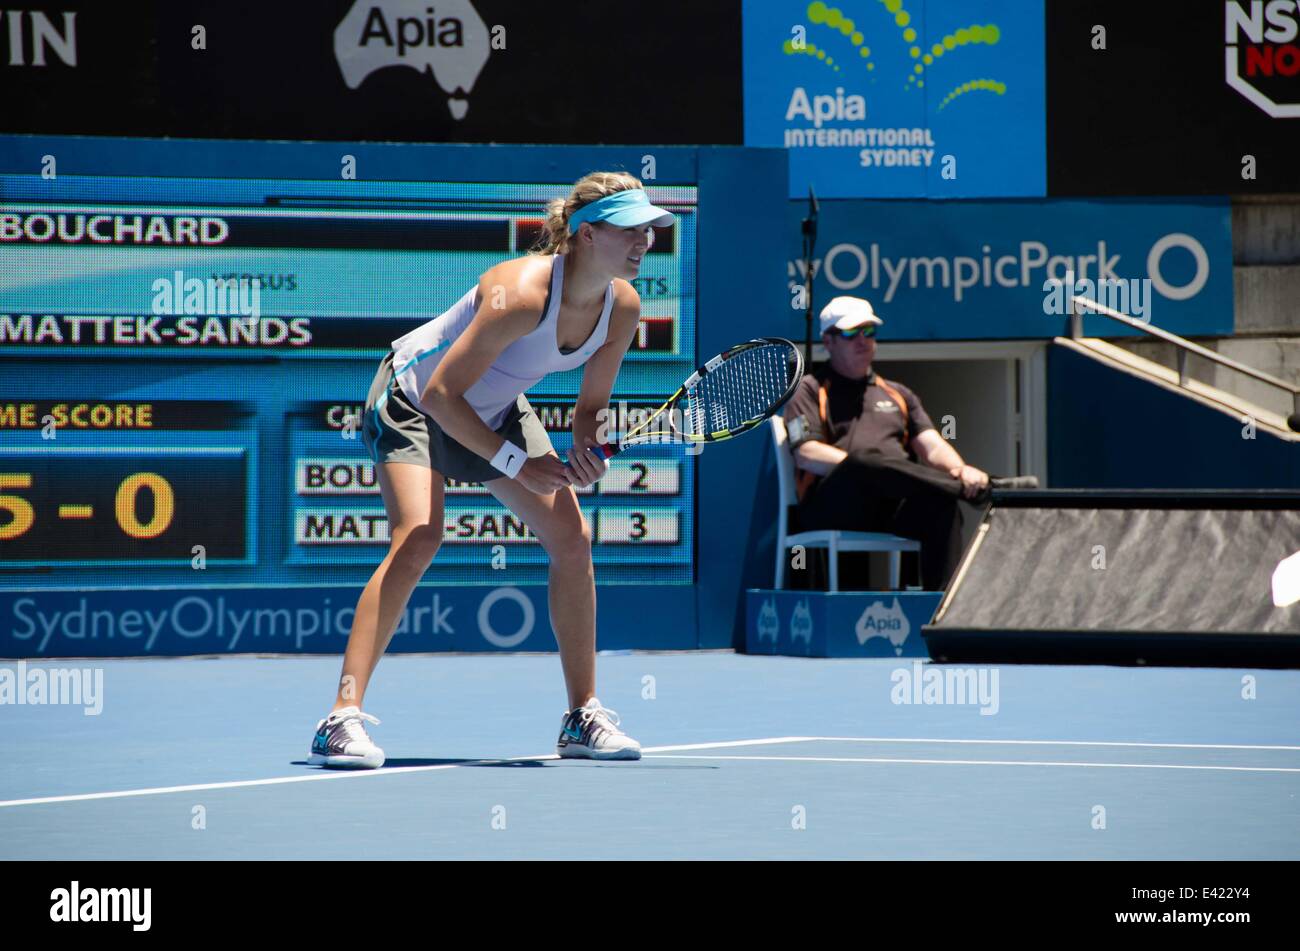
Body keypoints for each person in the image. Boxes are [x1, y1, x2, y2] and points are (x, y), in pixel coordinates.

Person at [307, 171, 673, 769]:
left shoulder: (623, 308)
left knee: (572, 540)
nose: (644, 242)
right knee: (420, 536)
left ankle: (581, 715)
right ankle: (339, 718)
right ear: (585, 235)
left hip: (496, 408)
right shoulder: (521, 294)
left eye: (649, 231)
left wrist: (585, 451)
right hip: (415, 397)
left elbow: (589, 409)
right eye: (629, 229)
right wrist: (517, 463)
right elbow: (445, 393)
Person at [783, 296, 1037, 590]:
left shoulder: (898, 393)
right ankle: (985, 491)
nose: (863, 340)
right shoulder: (809, 389)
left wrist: (962, 470)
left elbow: (932, 446)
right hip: (833, 504)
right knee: (867, 459)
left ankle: (940, 609)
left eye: (869, 332)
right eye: (851, 333)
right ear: (828, 341)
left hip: (890, 504)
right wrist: (866, 469)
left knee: (941, 505)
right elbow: (806, 453)